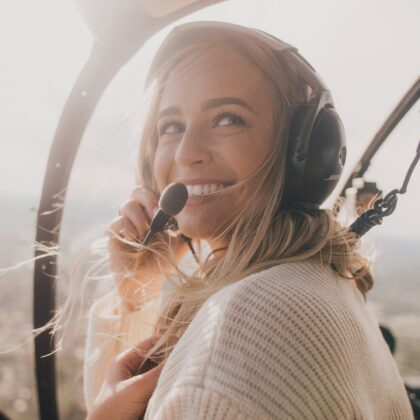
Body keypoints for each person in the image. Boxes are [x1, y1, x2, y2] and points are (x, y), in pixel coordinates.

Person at [84, 21, 414, 419]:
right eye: (171, 126)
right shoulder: (318, 279)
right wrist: (136, 296)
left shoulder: (236, 338)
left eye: (228, 118)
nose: (187, 153)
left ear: (306, 153)